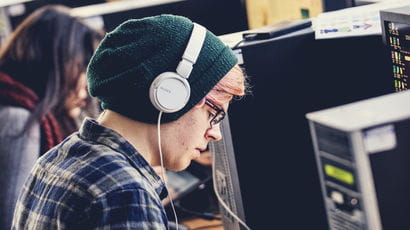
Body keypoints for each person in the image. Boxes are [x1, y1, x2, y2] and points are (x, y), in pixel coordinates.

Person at [12, 14, 247, 229]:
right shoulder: (124, 192)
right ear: (171, 95)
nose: (215, 133)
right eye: (213, 114)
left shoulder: (55, 159)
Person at [0, 5, 103, 229]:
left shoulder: (35, 114)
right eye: (82, 66)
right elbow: (12, 223)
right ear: (55, 64)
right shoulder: (18, 122)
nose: (85, 85)